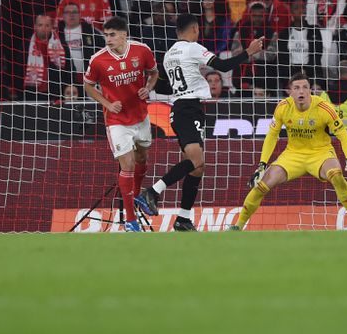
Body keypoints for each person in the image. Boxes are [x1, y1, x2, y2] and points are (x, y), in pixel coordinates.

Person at [137, 15, 263, 231]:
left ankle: (183, 218)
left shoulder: (169, 54)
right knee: (196, 162)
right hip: (189, 109)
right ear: (194, 29)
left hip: (181, 109)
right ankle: (152, 192)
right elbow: (222, 66)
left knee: (198, 167)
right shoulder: (192, 48)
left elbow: (166, 88)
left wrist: (150, 85)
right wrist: (248, 52)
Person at [229, 72, 347, 230]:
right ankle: (237, 226)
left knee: (336, 175)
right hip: (293, 155)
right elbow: (272, 136)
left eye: (305, 87)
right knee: (262, 185)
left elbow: (343, 135)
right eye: (297, 88)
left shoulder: (324, 108)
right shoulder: (283, 107)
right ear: (290, 91)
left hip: (320, 153)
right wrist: (262, 165)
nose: (301, 91)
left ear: (310, 90)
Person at [82, 16, 159, 232]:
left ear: (124, 34)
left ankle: (135, 194)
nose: (108, 39)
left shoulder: (142, 50)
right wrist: (107, 103)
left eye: (112, 35)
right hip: (116, 121)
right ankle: (131, 221)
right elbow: (87, 85)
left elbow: (154, 73)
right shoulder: (98, 60)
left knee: (142, 157)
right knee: (128, 164)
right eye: (106, 35)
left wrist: (149, 87)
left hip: (141, 116)